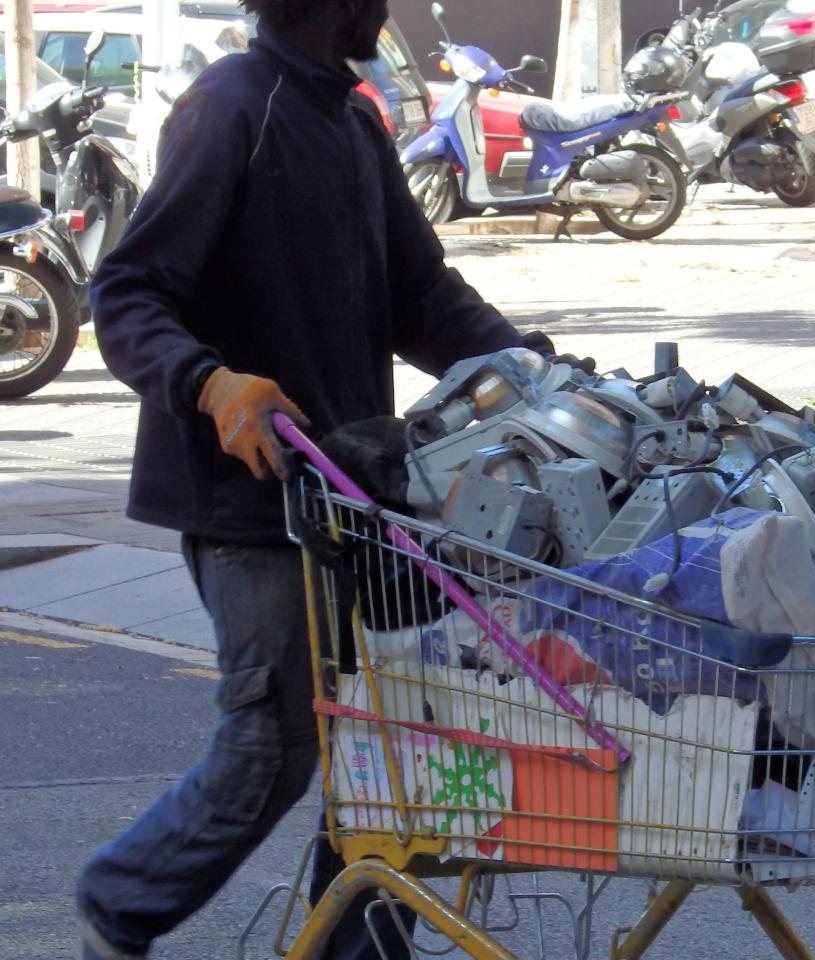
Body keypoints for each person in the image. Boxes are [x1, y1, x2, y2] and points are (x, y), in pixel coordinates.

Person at [74, 0, 532, 956]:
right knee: (274, 747)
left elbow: (423, 297)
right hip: (251, 502)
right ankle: (122, 906)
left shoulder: (351, 117)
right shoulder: (235, 104)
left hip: (352, 499)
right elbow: (127, 289)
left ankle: (351, 952)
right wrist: (209, 382)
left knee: (407, 744)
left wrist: (530, 370)